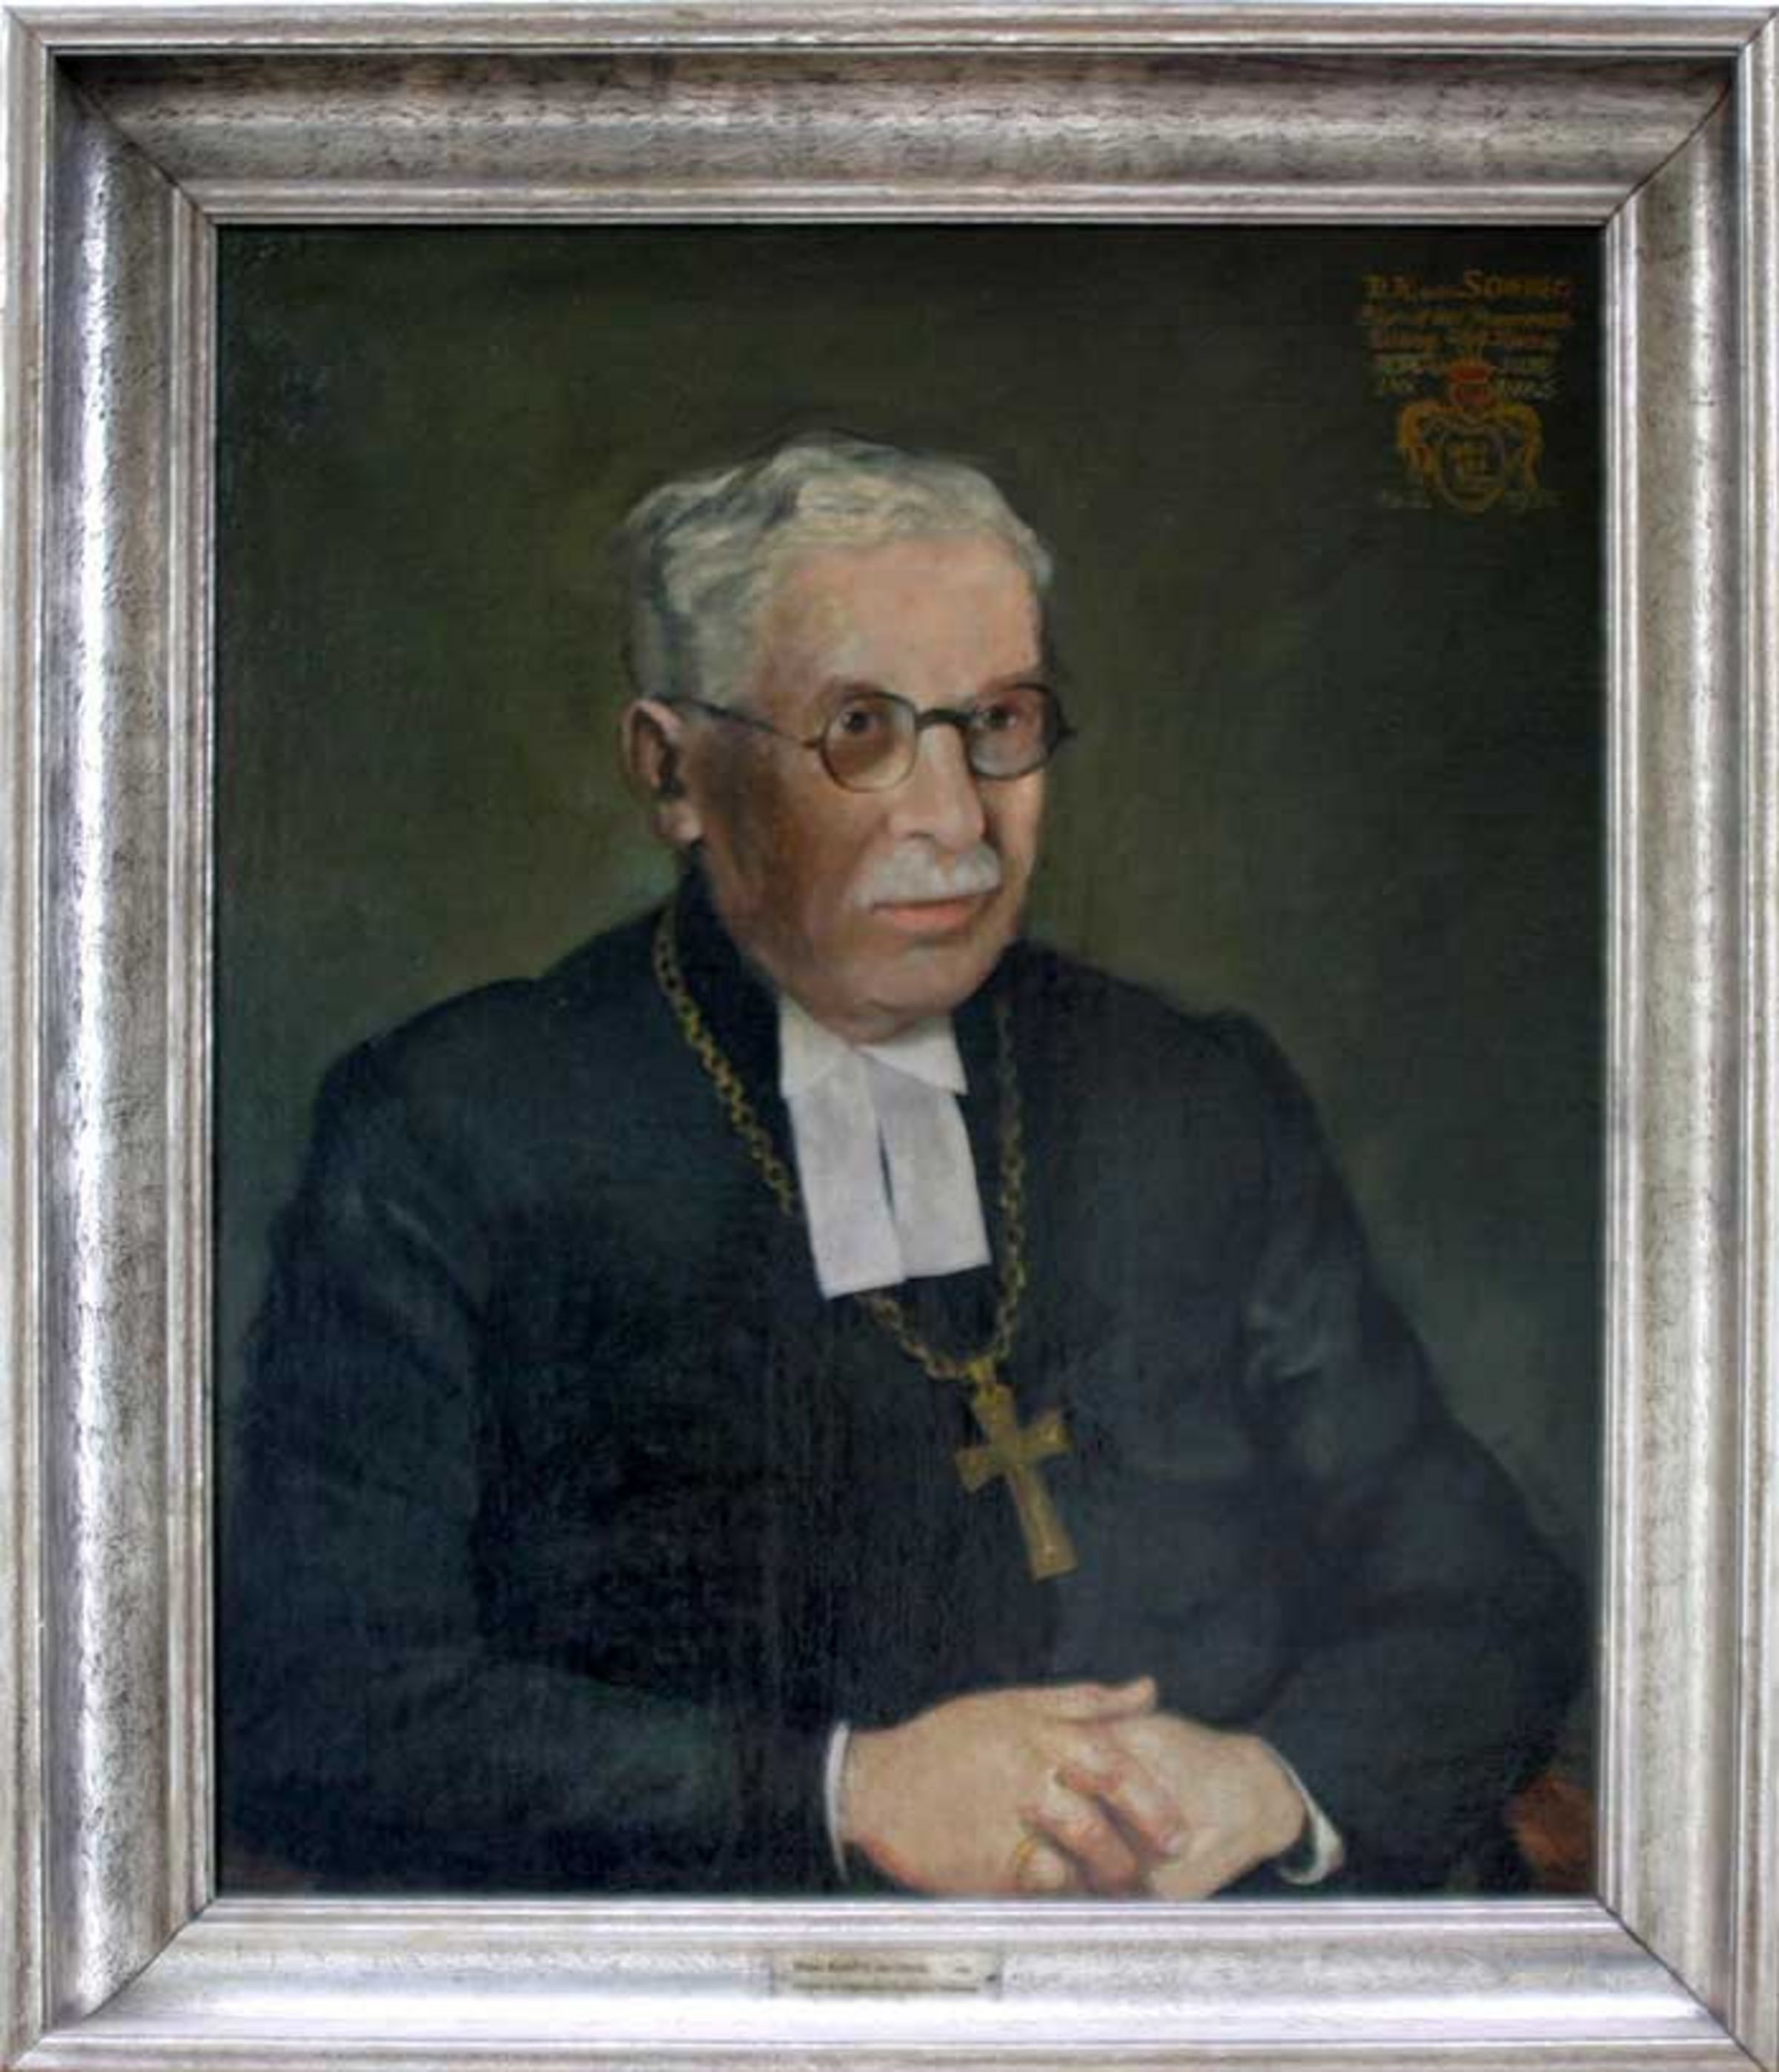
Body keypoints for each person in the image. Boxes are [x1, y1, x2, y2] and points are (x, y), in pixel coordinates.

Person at [222, 430, 1583, 1899]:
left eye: (998, 721)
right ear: (673, 772)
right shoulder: (453, 1131)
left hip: (1213, 1956)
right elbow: (321, 1712)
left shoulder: (1195, 1096)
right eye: (861, 729)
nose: (956, 818)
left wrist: (1268, 1787)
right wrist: (842, 1795)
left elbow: (1485, 1590)